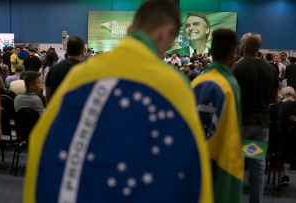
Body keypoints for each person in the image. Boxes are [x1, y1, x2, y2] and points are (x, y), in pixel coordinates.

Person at [24, 1, 213, 203]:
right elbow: (193, 170)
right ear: (165, 33)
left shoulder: (81, 75)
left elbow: (43, 141)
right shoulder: (175, 86)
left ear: (131, 29)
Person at [191, 29, 243, 203]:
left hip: (195, 161)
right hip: (222, 165)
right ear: (234, 53)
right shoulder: (229, 85)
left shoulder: (197, 81)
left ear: (211, 52)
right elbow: (231, 132)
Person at [232, 33, 278, 203]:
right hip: (261, 125)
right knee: (257, 167)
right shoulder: (270, 69)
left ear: (244, 47)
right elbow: (273, 97)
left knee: (236, 165)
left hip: (241, 124)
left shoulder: (237, 67)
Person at [45, 36, 85, 103]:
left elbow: (48, 95)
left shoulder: (53, 69)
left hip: (58, 109)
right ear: (83, 51)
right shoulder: (86, 70)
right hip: (79, 111)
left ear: (67, 51)